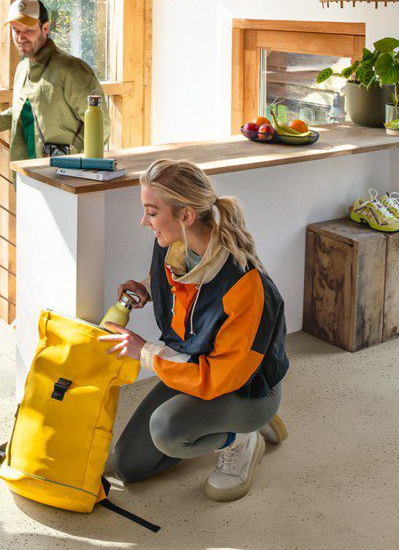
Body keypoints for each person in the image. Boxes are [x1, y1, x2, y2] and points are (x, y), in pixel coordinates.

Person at [100, 158, 289, 502]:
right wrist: (147, 287)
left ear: (186, 216)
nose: (144, 222)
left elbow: (218, 379)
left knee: (167, 430)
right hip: (194, 365)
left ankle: (244, 438)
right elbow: (189, 283)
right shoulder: (172, 246)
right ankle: (228, 425)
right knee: (129, 466)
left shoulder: (245, 286)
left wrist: (142, 351)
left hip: (244, 388)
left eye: (152, 212)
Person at [0, 0, 109, 161]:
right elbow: (24, 111)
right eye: (16, 30)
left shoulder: (72, 70)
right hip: (26, 173)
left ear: (45, 28)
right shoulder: (22, 69)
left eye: (28, 30)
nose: (21, 38)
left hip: (65, 175)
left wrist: (78, 165)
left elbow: (102, 127)